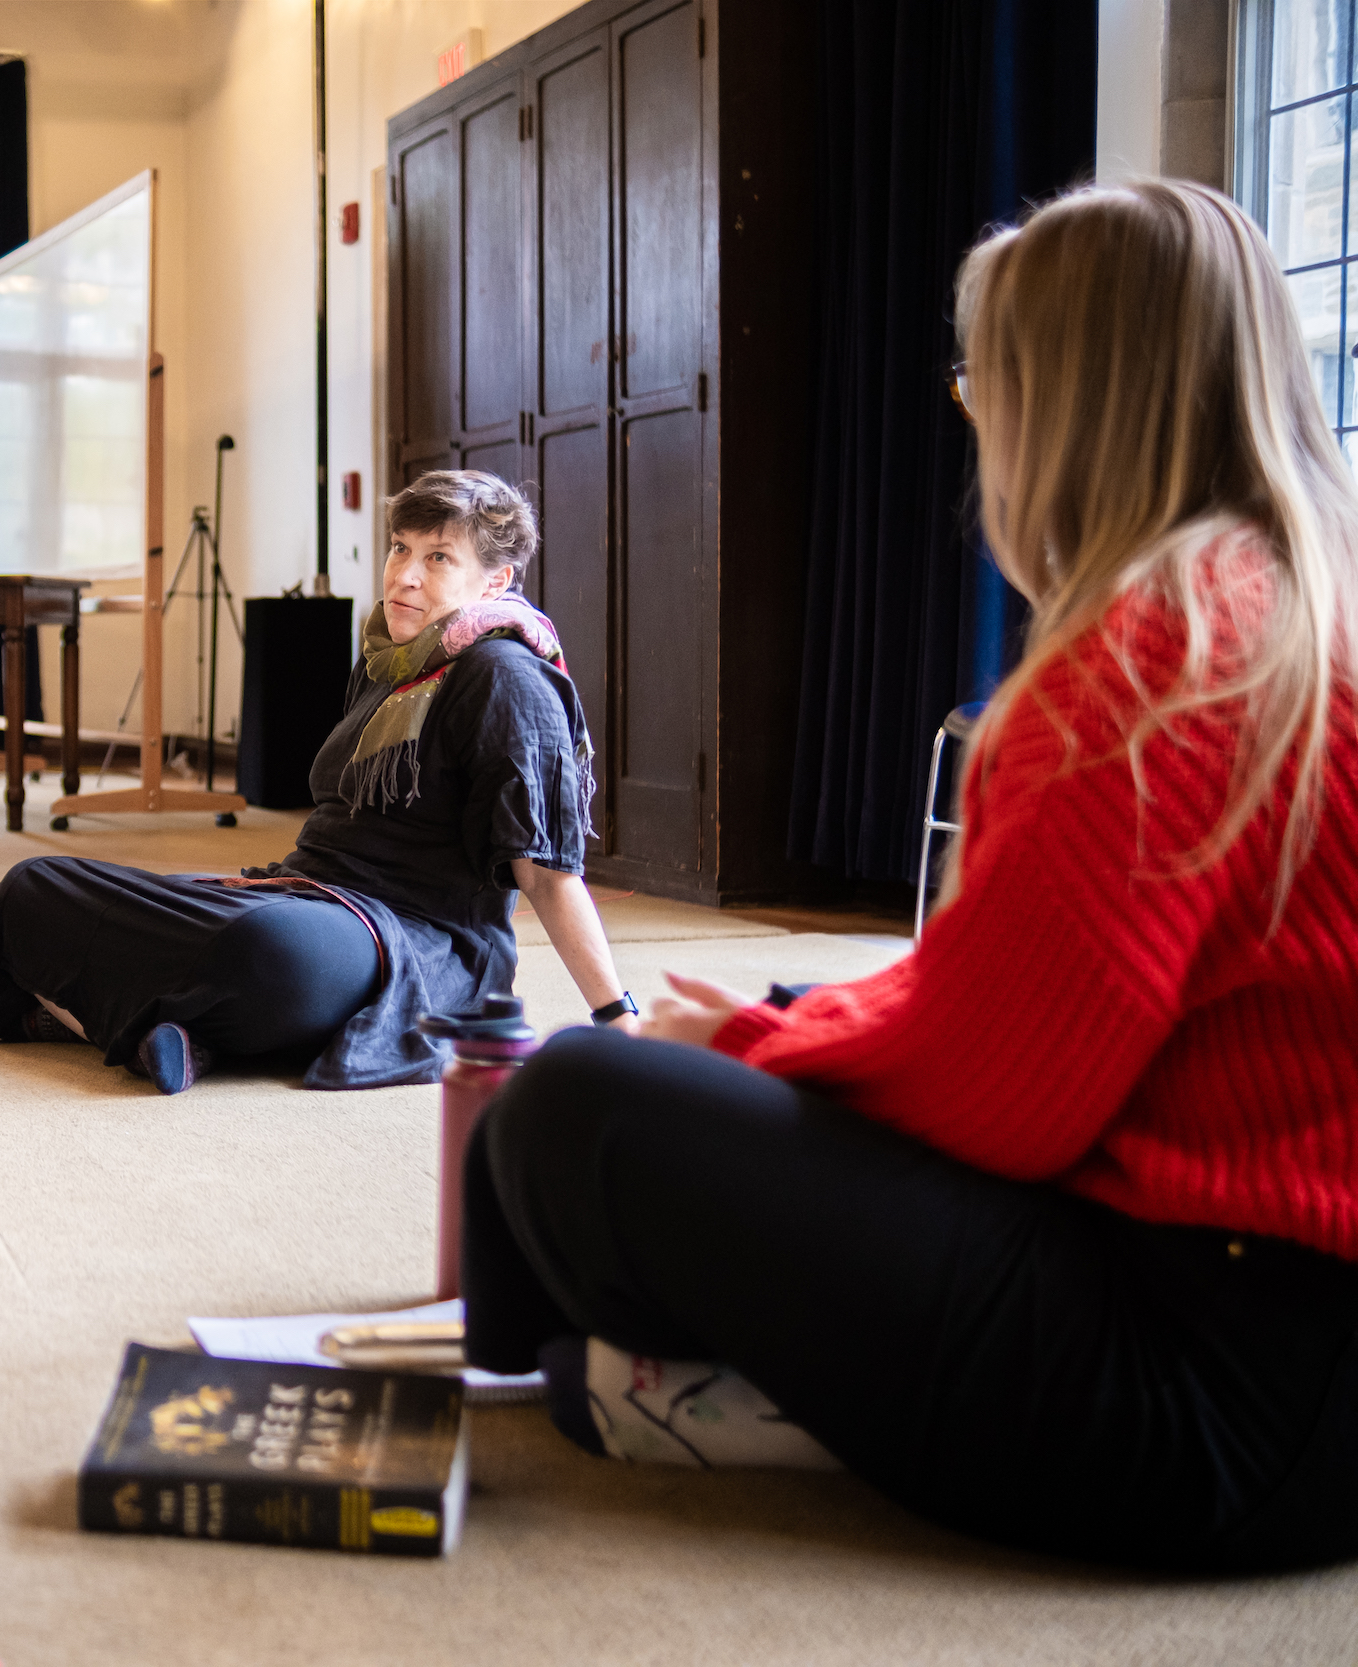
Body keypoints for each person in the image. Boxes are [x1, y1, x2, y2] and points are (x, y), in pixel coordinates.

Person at [460, 181, 1358, 1574]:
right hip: (1293, 1349)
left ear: (1055, 406)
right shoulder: (1294, 611)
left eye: (979, 385)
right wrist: (788, 1029)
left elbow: (997, 1101)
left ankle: (580, 1368)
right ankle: (596, 1353)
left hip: (1212, 1406)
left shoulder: (1148, 663)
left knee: (580, 1100)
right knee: (762, 1033)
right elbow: (1050, 1009)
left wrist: (759, 1044)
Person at [0, 469, 634, 1094]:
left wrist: (617, 1017)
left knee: (268, 950)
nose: (404, 575)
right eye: (400, 548)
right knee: (32, 886)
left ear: (495, 581)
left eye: (438, 557)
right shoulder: (391, 662)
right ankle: (177, 1037)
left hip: (412, 941)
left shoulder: (508, 679)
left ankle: (117, 1018)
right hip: (300, 892)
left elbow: (546, 874)